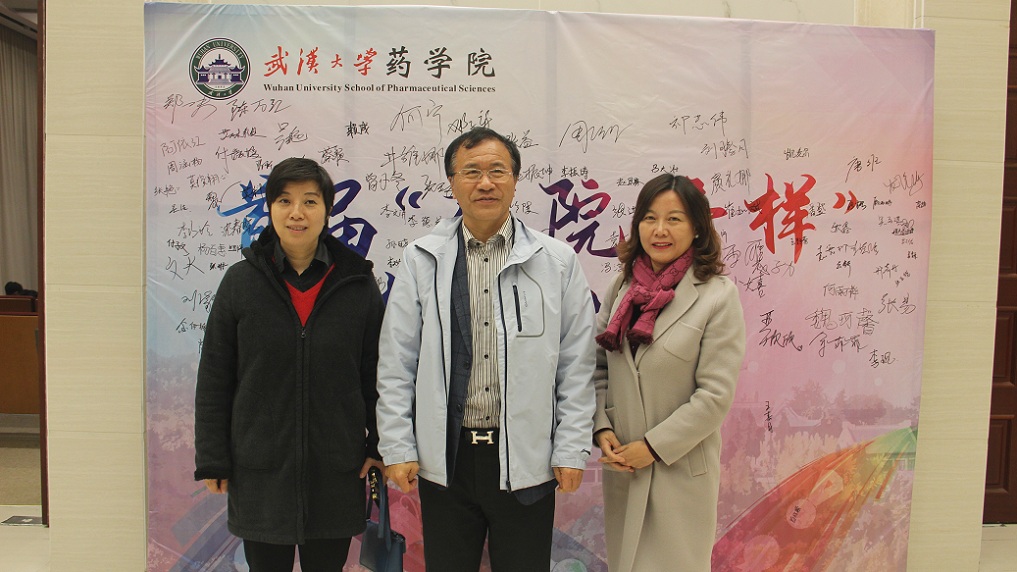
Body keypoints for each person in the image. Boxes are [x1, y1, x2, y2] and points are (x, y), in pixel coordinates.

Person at [376, 127, 597, 571]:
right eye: (471, 172)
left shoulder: (555, 261)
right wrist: (398, 446)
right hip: (447, 460)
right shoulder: (422, 258)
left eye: (498, 171)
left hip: (527, 459)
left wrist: (571, 449)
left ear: (515, 180)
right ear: (452, 182)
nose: (485, 183)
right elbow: (397, 361)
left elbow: (576, 363)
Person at [193, 158, 385, 572]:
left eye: (310, 201)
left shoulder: (357, 284)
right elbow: (214, 377)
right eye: (284, 201)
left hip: (336, 470)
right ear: (270, 208)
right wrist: (212, 457)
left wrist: (378, 448)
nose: (297, 212)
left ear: (327, 211)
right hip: (260, 471)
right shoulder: (240, 282)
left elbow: (376, 375)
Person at [593, 173, 746, 572]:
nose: (659, 230)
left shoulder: (717, 295)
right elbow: (598, 367)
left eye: (674, 219)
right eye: (649, 218)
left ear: (697, 227)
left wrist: (653, 447)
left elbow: (714, 397)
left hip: (677, 468)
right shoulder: (621, 288)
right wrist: (602, 428)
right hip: (624, 467)